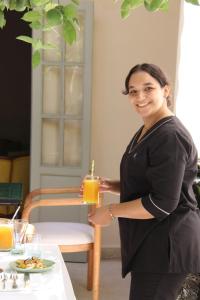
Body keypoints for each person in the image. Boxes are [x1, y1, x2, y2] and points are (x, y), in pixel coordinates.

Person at [87, 63, 200, 300]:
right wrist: (113, 185)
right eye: (133, 91)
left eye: (148, 88)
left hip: (167, 245)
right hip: (152, 241)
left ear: (166, 90)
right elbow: (152, 181)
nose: (140, 97)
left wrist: (110, 211)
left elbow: (162, 203)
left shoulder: (170, 136)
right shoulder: (148, 129)